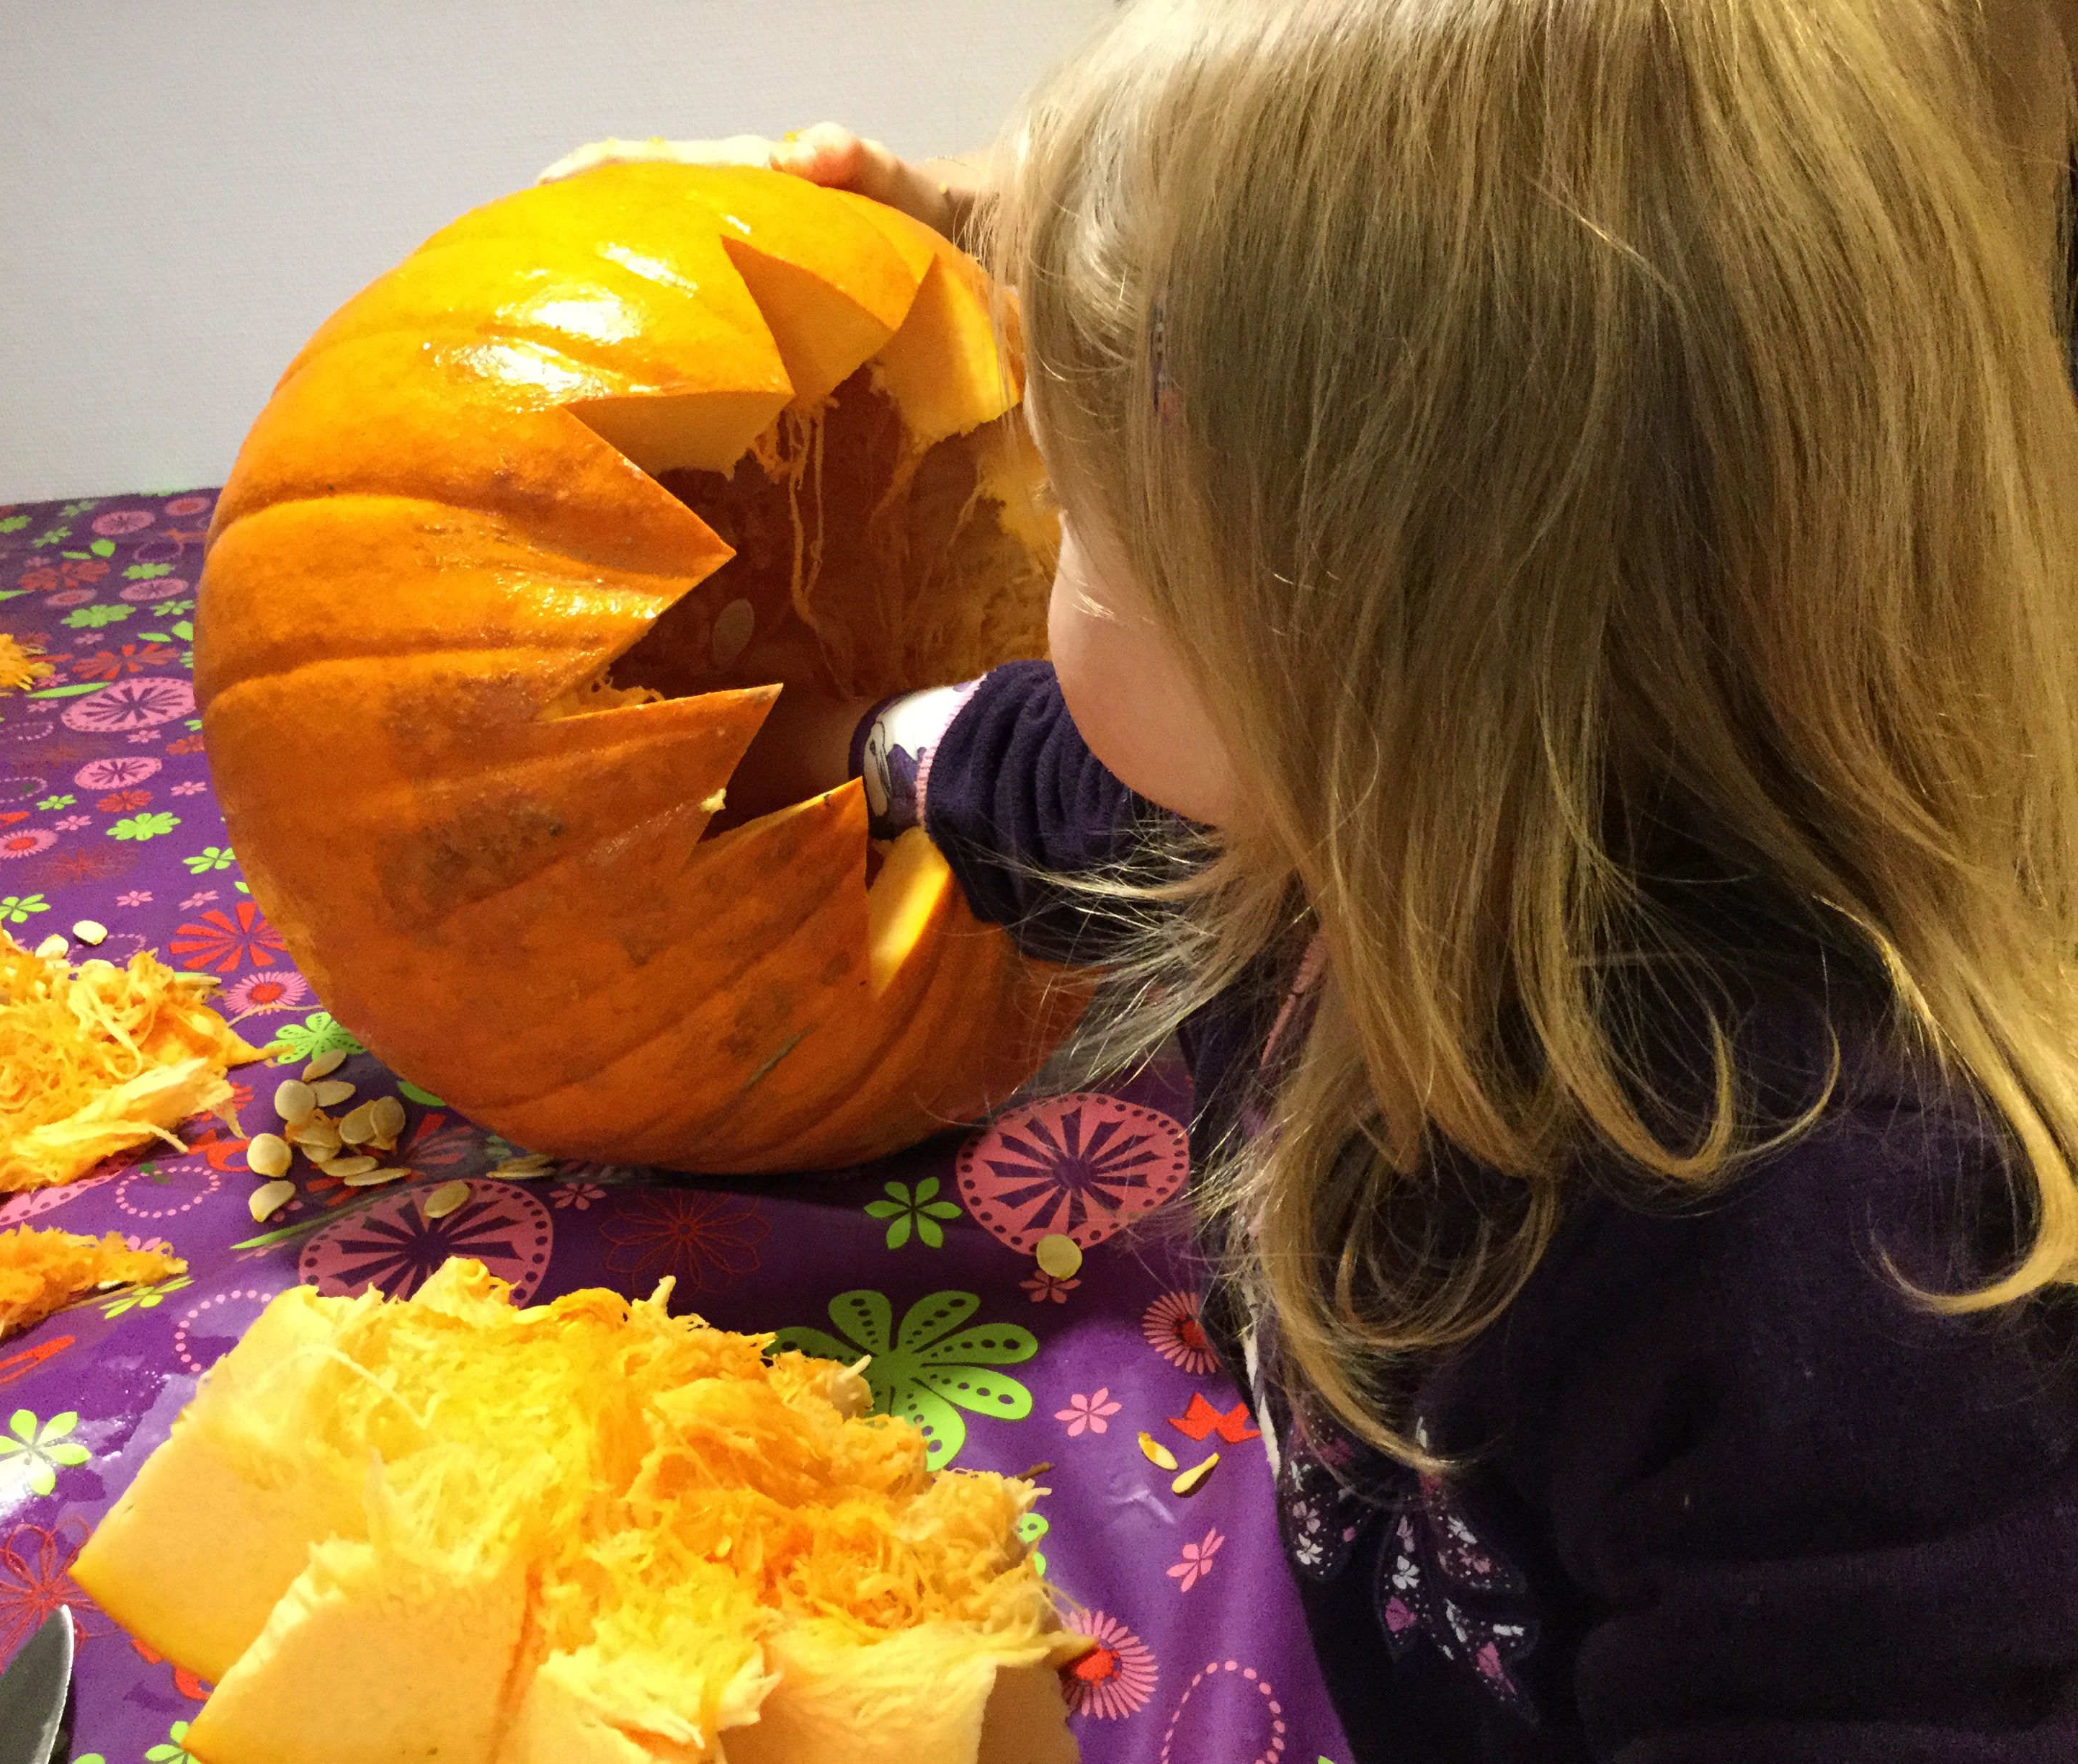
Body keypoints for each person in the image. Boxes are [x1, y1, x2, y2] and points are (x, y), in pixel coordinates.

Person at [546, 0, 2078, 1755]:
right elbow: (1039, 767)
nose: (1048, 583)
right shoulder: (1298, 842)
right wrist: (856, 740)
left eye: (1079, 532)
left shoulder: (1834, 1278)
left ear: (1341, 648)